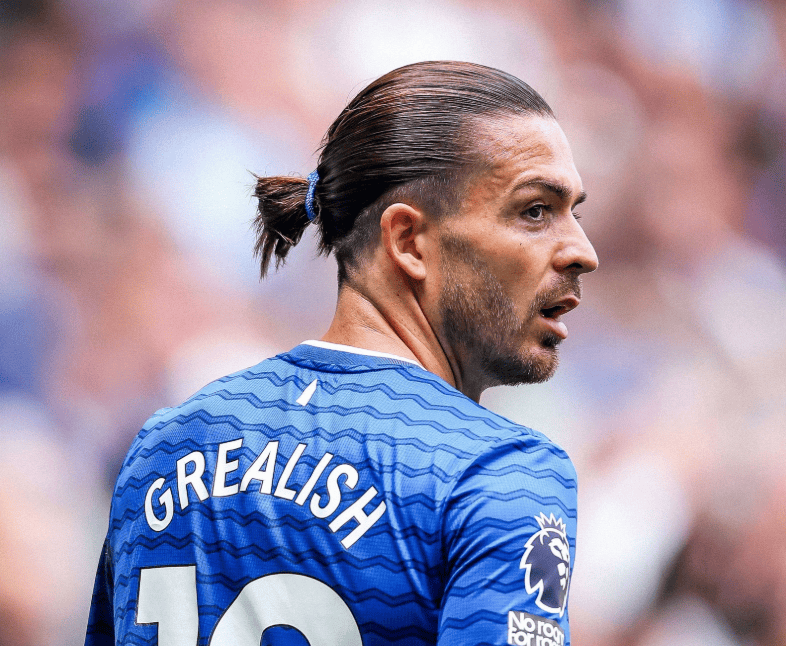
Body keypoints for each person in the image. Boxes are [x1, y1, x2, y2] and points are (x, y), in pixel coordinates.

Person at [85, 61, 598, 646]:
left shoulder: (162, 446)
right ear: (408, 241)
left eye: (574, 213)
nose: (583, 251)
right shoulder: (500, 473)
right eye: (535, 211)